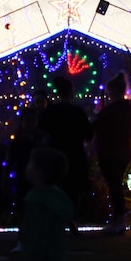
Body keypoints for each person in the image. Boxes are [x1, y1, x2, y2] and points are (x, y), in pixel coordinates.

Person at [14, 147, 73, 261]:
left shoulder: (35, 200)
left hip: (36, 258)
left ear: (40, 172)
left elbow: (33, 230)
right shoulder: (60, 198)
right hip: (56, 257)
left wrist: (26, 249)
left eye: (32, 164)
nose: (28, 166)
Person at [38, 76, 93, 232]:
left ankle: (57, 219)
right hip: (75, 154)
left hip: (55, 153)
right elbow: (88, 134)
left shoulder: (51, 111)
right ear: (71, 92)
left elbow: (41, 130)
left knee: (57, 187)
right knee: (73, 190)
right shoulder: (78, 112)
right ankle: (71, 218)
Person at [92, 71, 131, 234]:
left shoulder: (111, 110)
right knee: (115, 184)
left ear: (111, 91)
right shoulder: (129, 108)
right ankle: (119, 219)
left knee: (114, 185)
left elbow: (96, 127)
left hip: (110, 151)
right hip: (123, 150)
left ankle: (119, 219)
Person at [8, 90, 50, 252]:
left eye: (33, 120)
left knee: (39, 209)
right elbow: (10, 159)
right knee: (23, 209)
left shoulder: (42, 139)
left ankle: (38, 239)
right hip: (23, 177)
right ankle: (23, 240)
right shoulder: (18, 140)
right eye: (28, 120)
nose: (31, 123)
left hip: (38, 179)